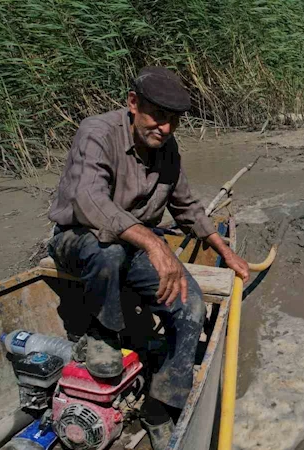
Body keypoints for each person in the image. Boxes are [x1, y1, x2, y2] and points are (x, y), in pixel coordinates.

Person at [46, 66, 249, 449]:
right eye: (158, 116)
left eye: (173, 121)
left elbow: (187, 206)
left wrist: (225, 250)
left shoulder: (167, 149)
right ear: (133, 104)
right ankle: (102, 333)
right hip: (78, 241)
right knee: (105, 249)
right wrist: (155, 245)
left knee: (190, 308)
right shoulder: (98, 133)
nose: (166, 128)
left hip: (133, 246)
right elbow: (89, 202)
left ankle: (159, 405)